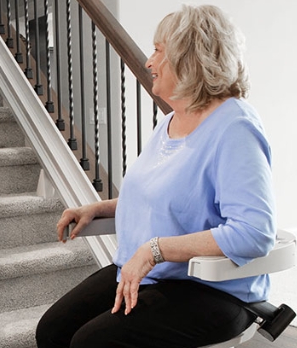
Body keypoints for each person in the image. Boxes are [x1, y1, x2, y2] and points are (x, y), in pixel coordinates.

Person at [36, 4, 276, 348]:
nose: (148, 61)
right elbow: (163, 198)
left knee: (92, 343)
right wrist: (99, 209)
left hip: (213, 289)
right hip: (158, 275)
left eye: (158, 51)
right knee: (53, 330)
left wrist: (154, 250)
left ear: (189, 58)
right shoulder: (169, 121)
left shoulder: (235, 127)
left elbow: (254, 233)